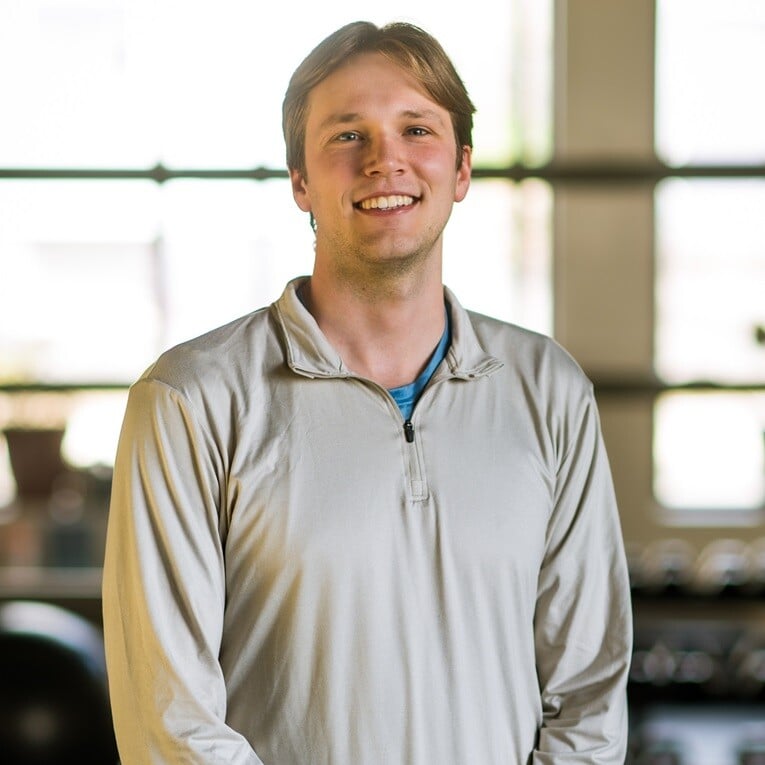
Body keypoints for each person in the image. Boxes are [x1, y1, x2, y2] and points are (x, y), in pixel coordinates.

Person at [102, 20, 632, 765]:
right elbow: (171, 722)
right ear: (299, 181)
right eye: (347, 136)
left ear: (461, 170)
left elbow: (588, 694)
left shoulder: (548, 391)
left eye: (416, 128)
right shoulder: (190, 400)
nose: (386, 160)